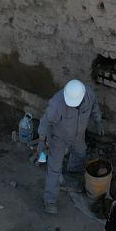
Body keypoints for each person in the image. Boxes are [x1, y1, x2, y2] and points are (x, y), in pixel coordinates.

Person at [36, 78, 96, 214]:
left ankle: (72, 174)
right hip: (58, 139)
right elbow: (45, 122)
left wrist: (98, 120)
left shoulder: (90, 95)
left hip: (78, 136)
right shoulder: (57, 104)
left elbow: (95, 108)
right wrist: (41, 142)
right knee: (54, 169)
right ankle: (49, 200)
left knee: (80, 153)